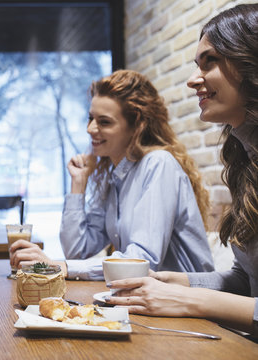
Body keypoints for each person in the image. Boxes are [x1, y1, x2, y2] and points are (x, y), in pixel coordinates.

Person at [105, 4, 258, 337]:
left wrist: (190, 299)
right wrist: (177, 281)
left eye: (210, 61)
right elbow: (245, 282)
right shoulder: (246, 161)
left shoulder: (158, 163)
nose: (192, 80)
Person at [10, 69, 214, 280]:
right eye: (90, 119)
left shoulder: (158, 164)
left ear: (136, 126)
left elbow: (142, 261)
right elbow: (78, 251)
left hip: (188, 304)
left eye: (104, 122)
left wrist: (63, 266)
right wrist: (78, 184)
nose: (90, 128)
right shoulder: (115, 177)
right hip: (149, 299)